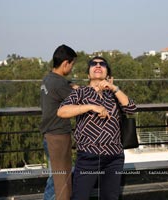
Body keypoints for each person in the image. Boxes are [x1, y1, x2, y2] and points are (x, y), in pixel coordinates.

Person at [58, 56, 137, 200]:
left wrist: (114, 88)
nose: (98, 65)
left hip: (114, 156)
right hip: (89, 155)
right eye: (94, 64)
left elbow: (131, 108)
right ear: (88, 74)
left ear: (107, 73)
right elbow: (62, 111)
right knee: (80, 197)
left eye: (103, 64)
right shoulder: (80, 92)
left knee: (110, 197)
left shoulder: (113, 94)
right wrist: (91, 106)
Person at [40, 44, 77, 200]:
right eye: (72, 65)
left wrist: (69, 85)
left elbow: (60, 90)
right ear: (65, 63)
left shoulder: (48, 78)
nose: (72, 68)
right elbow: (79, 101)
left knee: (54, 176)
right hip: (58, 136)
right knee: (61, 181)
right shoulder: (59, 83)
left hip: (48, 135)